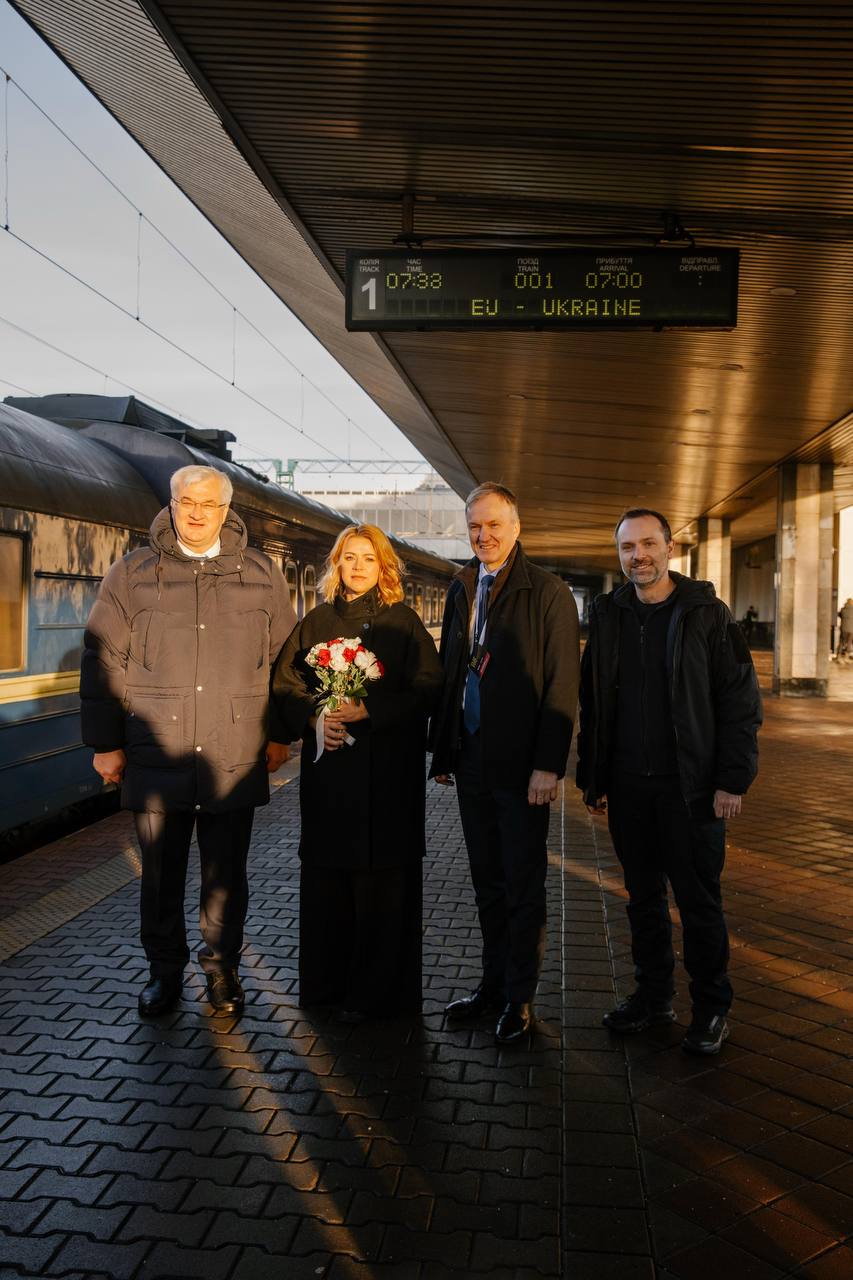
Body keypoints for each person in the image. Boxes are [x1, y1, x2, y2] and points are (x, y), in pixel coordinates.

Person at [81, 464, 294, 1018]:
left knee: (226, 876)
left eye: (208, 504)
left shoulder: (261, 573)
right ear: (172, 505)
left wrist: (281, 734)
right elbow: (103, 659)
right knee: (159, 876)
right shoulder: (131, 573)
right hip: (156, 751)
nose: (197, 513)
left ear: (226, 510)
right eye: (186, 502)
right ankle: (164, 972)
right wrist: (105, 743)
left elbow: (284, 661)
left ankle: (222, 972)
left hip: (233, 752)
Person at [577, 508, 762, 1055]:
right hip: (629, 787)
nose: (639, 555)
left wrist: (732, 780)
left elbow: (740, 702)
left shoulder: (707, 614)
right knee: (643, 900)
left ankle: (711, 1009)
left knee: (699, 903)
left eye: (648, 544)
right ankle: (653, 998)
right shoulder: (608, 615)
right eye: (628, 547)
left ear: (669, 548)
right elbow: (593, 702)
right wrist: (594, 776)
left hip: (692, 789)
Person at [272, 524, 442, 1020]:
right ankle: (326, 989)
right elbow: (285, 683)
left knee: (383, 890)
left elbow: (430, 688)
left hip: (388, 780)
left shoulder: (403, 621)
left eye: (369, 558)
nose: (359, 566)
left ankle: (379, 997)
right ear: (337, 564)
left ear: (383, 566)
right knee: (328, 884)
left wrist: (371, 710)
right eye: (350, 557)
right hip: (330, 781)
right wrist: (314, 718)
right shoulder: (317, 620)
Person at [429, 483, 580, 1044]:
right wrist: (444, 750)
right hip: (471, 759)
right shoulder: (462, 586)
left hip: (522, 768)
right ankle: (491, 986)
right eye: (475, 526)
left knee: (522, 884)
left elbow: (562, 685)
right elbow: (452, 669)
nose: (484, 535)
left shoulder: (548, 592)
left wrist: (548, 765)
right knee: (487, 883)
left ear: (516, 528)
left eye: (494, 525)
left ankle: (520, 998)